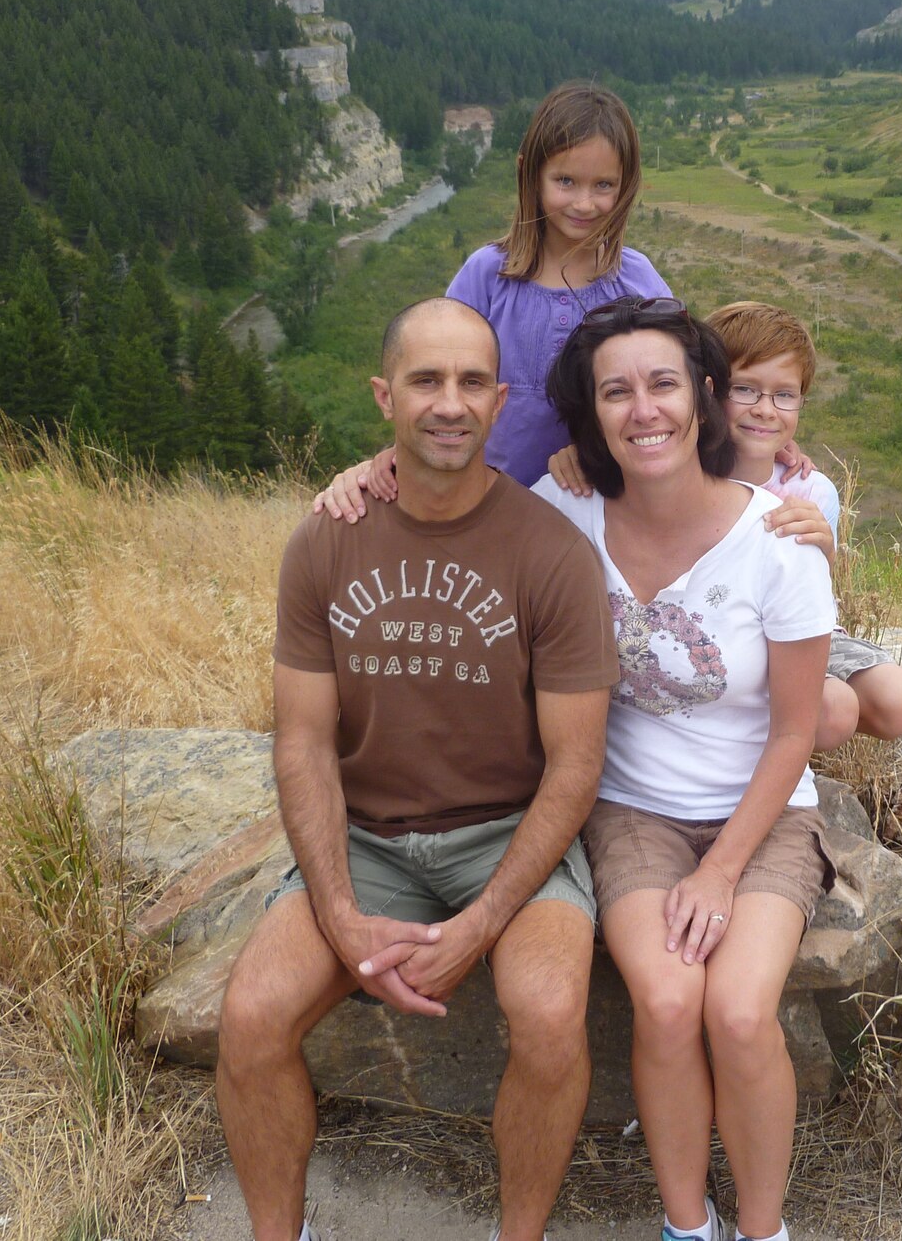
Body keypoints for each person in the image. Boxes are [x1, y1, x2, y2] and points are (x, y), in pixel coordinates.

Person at [215, 297, 618, 1241]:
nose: (450, 403)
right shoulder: (327, 538)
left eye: (473, 381)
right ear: (384, 395)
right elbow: (304, 742)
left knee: (552, 1014)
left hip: (506, 835)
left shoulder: (550, 553)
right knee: (251, 1016)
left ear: (501, 399)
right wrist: (340, 911)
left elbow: (576, 764)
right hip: (368, 840)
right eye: (427, 380)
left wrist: (480, 924)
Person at [534, 296, 834, 1241]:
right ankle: (684, 1224)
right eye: (614, 392)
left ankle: (762, 1229)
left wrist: (720, 869)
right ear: (592, 414)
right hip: (631, 808)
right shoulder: (565, 513)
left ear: (703, 396)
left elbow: (794, 732)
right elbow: (451, 503)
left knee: (742, 1014)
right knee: (667, 1003)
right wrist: (366, 473)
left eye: (663, 383)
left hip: (767, 808)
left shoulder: (779, 539)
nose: (643, 409)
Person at [308, 79, 809, 518]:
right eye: (565, 181)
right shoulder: (487, 275)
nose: (584, 203)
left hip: (598, 507)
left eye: (603, 185)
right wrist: (392, 456)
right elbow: (435, 380)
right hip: (483, 505)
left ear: (626, 185)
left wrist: (755, 436)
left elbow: (678, 386)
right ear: (531, 174)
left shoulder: (636, 283)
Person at [549, 300, 902, 751]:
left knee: (898, 701)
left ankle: (780, 732)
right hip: (712, 631)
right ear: (710, 392)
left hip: (794, 637)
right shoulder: (676, 465)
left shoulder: (811, 488)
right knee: (833, 710)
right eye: (745, 390)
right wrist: (580, 454)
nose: (765, 410)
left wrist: (822, 548)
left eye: (784, 395)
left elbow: (818, 591)